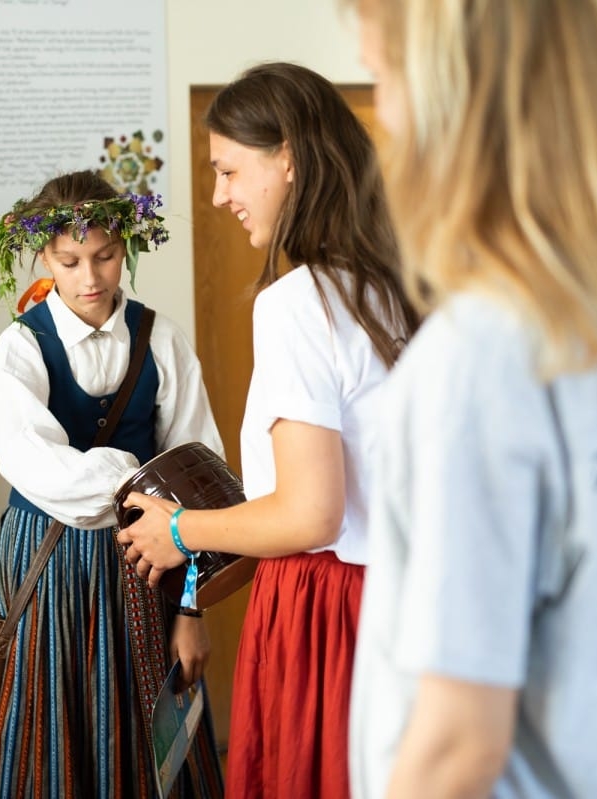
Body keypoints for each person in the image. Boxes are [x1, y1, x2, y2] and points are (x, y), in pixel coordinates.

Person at [347, 1, 597, 797]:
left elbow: (458, 744)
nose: (383, 115)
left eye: (382, 76)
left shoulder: (478, 362)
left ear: (451, 98)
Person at [117, 63, 418, 799]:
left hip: (328, 614)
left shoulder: (295, 302)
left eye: (229, 170)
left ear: (287, 156)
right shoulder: (404, 286)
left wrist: (182, 530)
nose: (219, 196)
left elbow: (310, 511)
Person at [0, 170, 225, 798]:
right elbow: (28, 460)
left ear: (127, 249)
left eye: (105, 256)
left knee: (154, 724)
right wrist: (130, 479)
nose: (90, 278)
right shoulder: (23, 345)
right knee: (56, 718)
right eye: (69, 261)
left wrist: (191, 606)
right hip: (48, 556)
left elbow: (199, 478)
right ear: (44, 257)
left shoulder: (162, 337)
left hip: (149, 558)